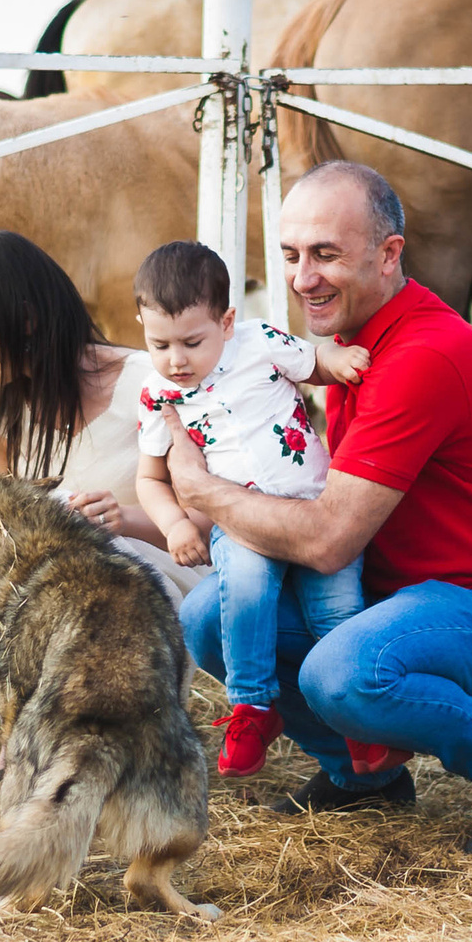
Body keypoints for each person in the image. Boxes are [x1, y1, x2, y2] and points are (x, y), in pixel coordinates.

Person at [164, 161, 472, 855]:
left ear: (390, 255)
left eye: (327, 253)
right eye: (292, 255)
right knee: (208, 617)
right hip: (402, 595)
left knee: (341, 672)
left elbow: (325, 541)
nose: (302, 276)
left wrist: (202, 493)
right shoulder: (348, 349)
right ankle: (360, 775)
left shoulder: (420, 356)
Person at [129, 239, 372, 777]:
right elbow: (149, 477)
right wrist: (173, 524)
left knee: (335, 610)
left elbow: (313, 364)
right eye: (158, 343)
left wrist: (338, 358)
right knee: (243, 594)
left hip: (316, 506)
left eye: (192, 342)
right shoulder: (156, 394)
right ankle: (253, 707)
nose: (175, 360)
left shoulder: (260, 341)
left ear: (228, 321)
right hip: (242, 523)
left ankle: (363, 721)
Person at [0, 231, 202, 598]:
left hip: (164, 604)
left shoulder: (150, 386)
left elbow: (213, 523)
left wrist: (123, 521)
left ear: (26, 317)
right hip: (56, 621)